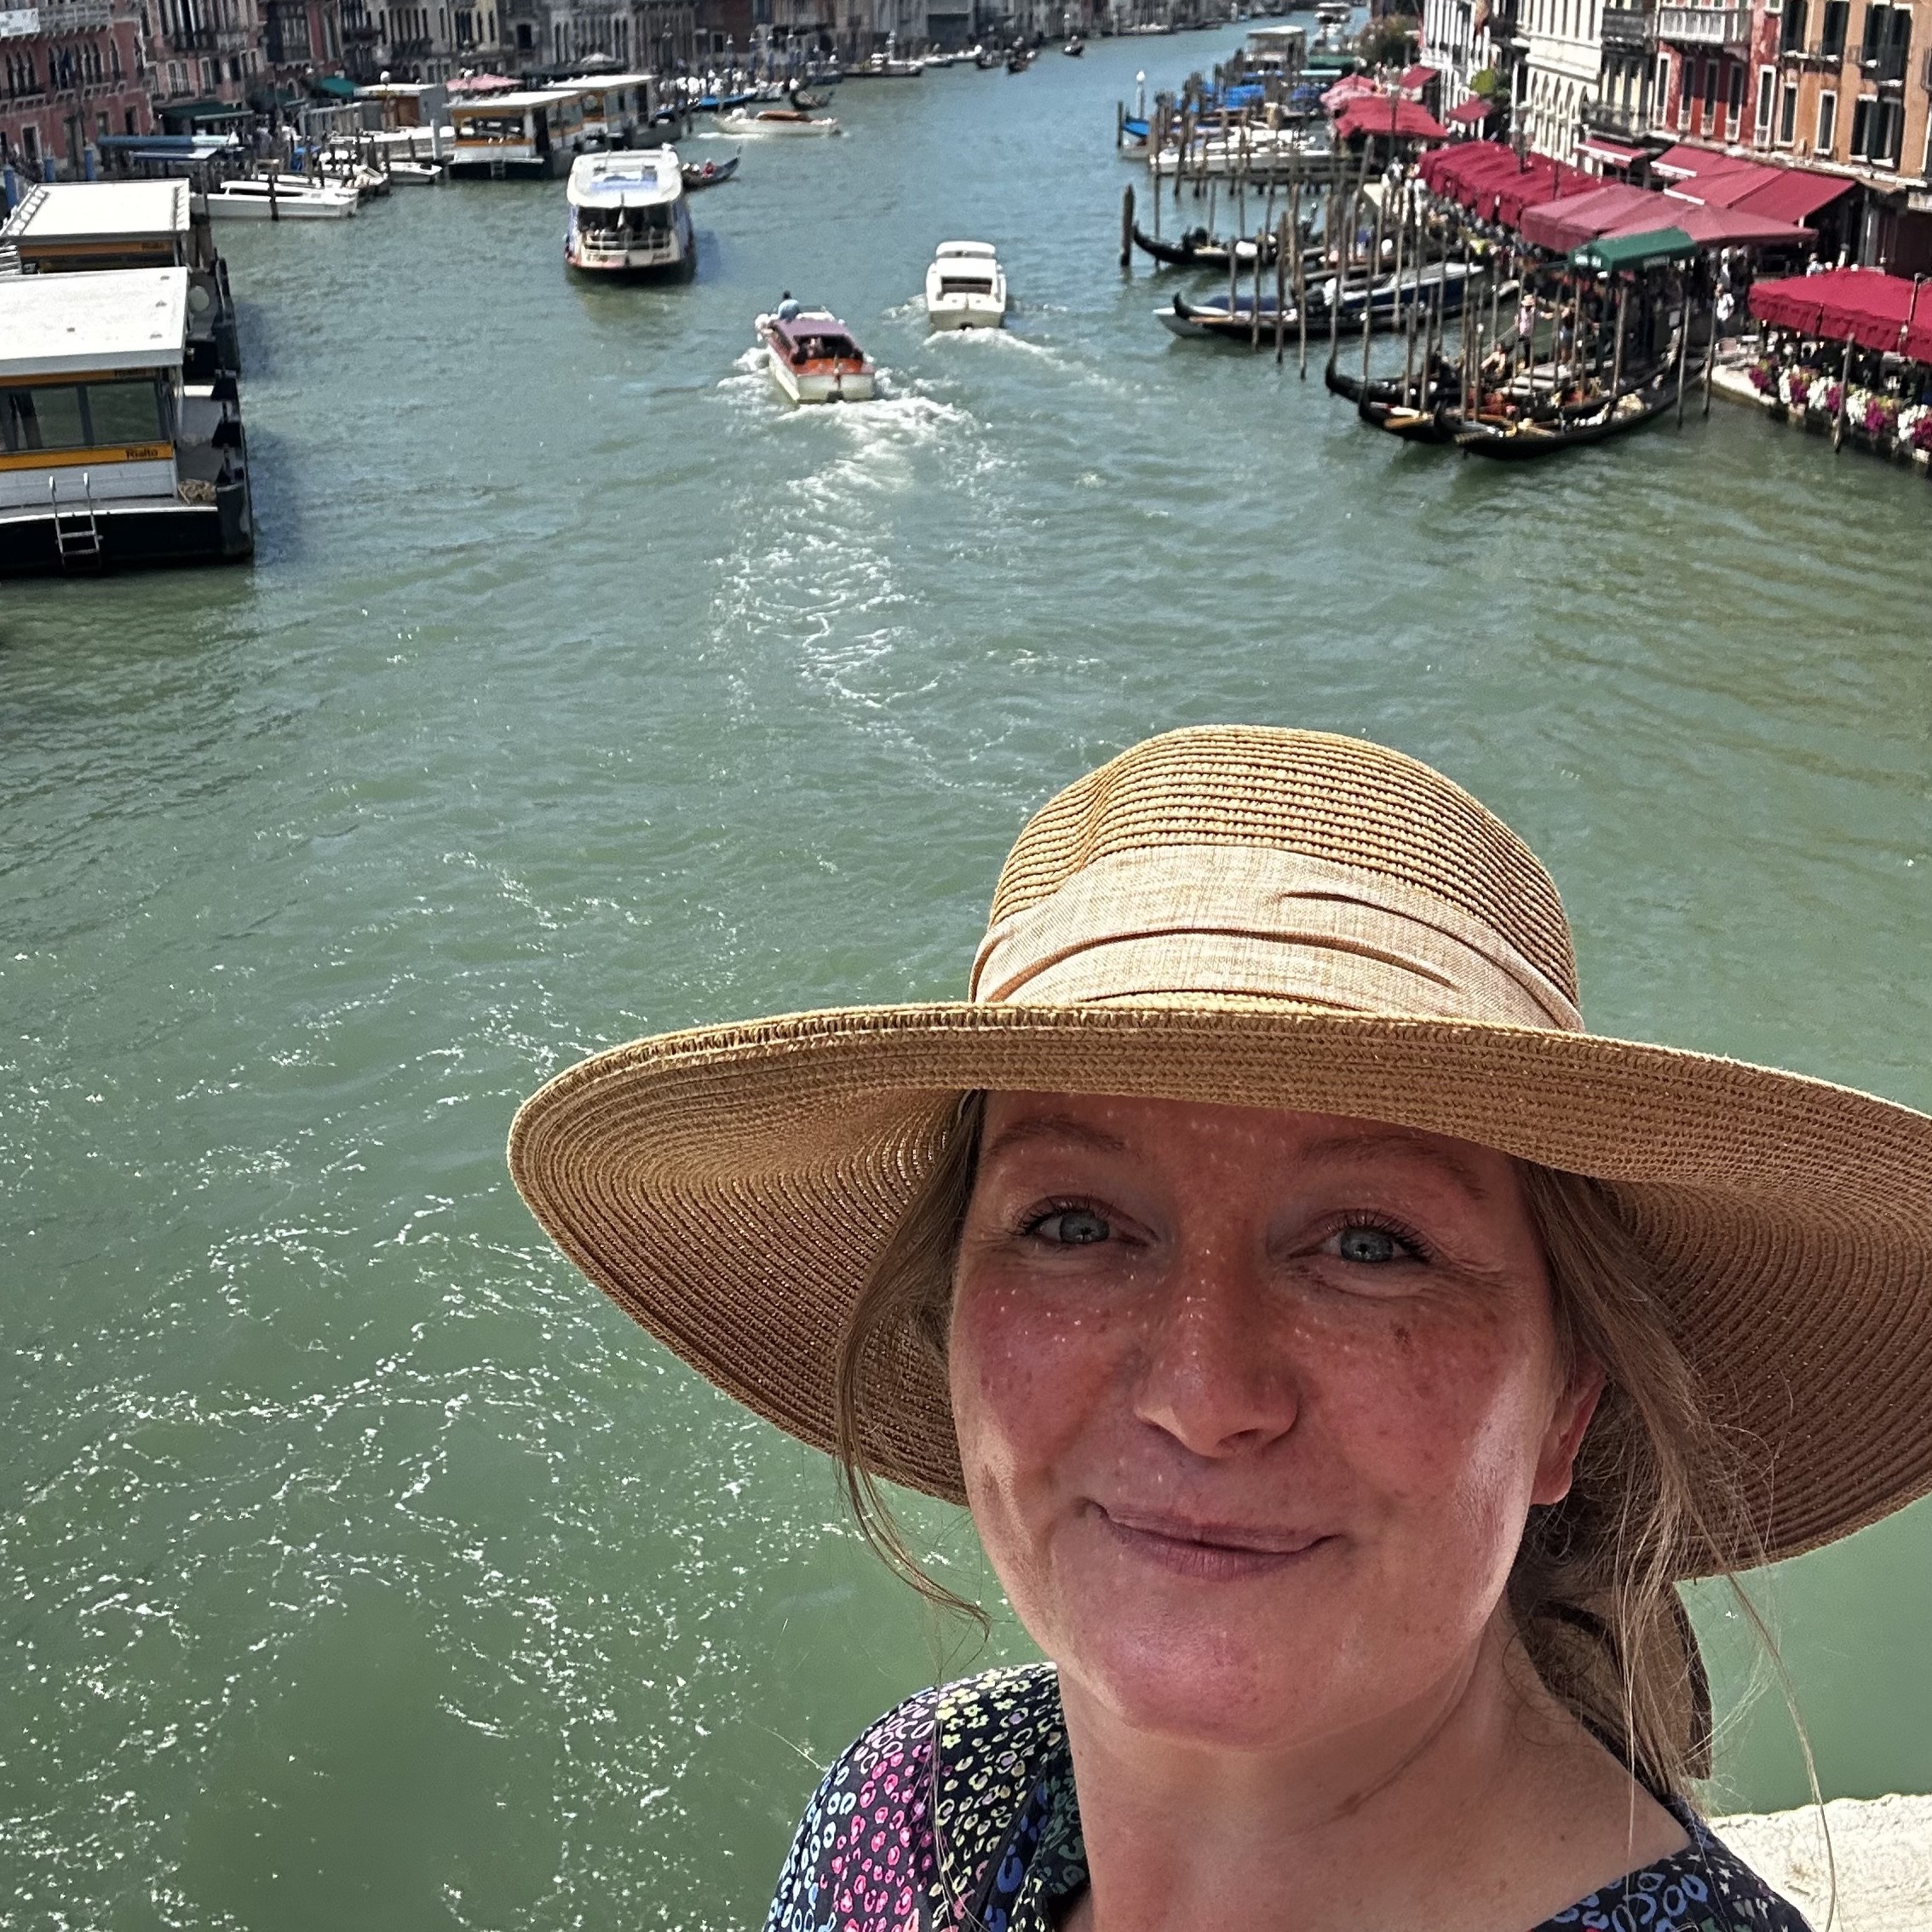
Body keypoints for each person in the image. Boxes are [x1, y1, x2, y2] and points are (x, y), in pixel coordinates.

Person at [511, 727, 1932, 1932]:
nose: (1203, 1393)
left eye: (1371, 1245)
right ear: (950, 1323)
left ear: (1569, 1402)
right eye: (1074, 1223)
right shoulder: (912, 1812)